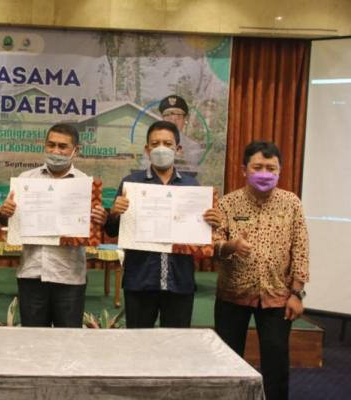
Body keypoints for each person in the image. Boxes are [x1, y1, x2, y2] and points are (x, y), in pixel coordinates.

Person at [213, 140, 309, 400]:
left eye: (271, 168)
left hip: (277, 297)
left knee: (276, 363)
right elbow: (213, 246)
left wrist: (297, 294)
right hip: (232, 295)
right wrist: (231, 246)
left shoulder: (291, 203)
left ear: (279, 171)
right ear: (244, 169)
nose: (264, 173)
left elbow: (301, 249)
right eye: (258, 167)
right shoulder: (228, 203)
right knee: (227, 361)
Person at [105, 120, 221, 328]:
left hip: (180, 280)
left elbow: (201, 238)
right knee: (138, 340)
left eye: (167, 144)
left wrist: (211, 223)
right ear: (147, 149)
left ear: (178, 149)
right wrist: (114, 213)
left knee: (176, 341)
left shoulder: (192, 186)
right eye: (155, 143)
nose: (161, 148)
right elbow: (112, 231)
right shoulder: (131, 183)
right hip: (140, 280)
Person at [0, 123, 107, 328]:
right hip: (31, 273)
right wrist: (4, 213)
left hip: (69, 276)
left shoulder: (85, 185)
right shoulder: (26, 180)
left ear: (76, 150)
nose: (56, 151)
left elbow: (95, 227)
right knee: (33, 339)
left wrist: (100, 218)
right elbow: (7, 221)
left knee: (68, 339)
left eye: (62, 146)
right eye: (51, 145)